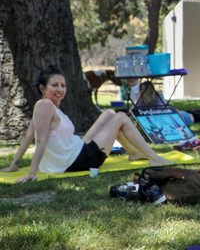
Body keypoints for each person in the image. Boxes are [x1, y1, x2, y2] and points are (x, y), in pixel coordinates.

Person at [0, 66, 173, 183]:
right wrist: (31, 172)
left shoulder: (46, 107)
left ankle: (134, 153)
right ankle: (154, 158)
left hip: (77, 149)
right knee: (120, 117)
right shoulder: (44, 105)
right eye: (55, 85)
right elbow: (39, 141)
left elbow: (29, 135)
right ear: (42, 88)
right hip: (80, 159)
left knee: (109, 113)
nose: (60, 89)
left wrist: (14, 163)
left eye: (63, 85)